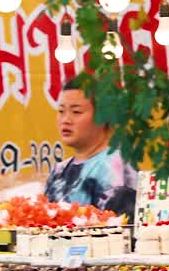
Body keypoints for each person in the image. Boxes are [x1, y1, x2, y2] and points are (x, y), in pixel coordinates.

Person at [44, 76, 139, 220]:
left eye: (76, 112)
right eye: (61, 111)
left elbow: (118, 234)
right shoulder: (59, 170)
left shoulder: (114, 168)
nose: (65, 120)